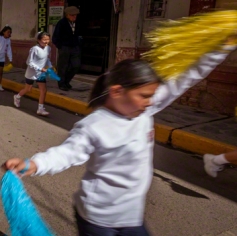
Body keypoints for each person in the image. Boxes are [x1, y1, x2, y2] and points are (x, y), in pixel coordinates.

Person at [3, 43, 235, 236]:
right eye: (144, 96)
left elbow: (185, 79)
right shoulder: (95, 125)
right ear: (116, 92)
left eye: (152, 96)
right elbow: (66, 153)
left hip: (132, 217)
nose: (150, 102)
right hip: (97, 219)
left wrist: (223, 47)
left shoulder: (144, 110)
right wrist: (33, 164)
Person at [13, 31, 52, 116]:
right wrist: (39, 68)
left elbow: (47, 59)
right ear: (38, 40)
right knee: (28, 89)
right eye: (44, 39)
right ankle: (17, 97)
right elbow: (29, 62)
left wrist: (51, 66)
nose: (46, 41)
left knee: (43, 90)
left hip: (40, 74)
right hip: (31, 73)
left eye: (48, 39)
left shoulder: (48, 48)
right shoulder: (34, 49)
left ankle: (40, 109)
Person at [52, 6, 81, 91]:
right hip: (64, 47)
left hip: (75, 47)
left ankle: (66, 81)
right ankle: (61, 83)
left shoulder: (77, 23)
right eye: (72, 15)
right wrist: (60, 46)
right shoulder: (61, 23)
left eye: (75, 15)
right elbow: (55, 37)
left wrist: (78, 44)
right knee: (62, 66)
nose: (74, 17)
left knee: (76, 65)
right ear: (67, 15)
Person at [0, 25, 12, 91]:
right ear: (4, 32)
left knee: (1, 72)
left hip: (2, 58)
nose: (9, 34)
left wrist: (10, 59)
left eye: (10, 32)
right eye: (8, 32)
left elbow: (9, 50)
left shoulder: (8, 40)